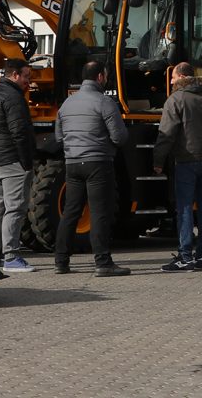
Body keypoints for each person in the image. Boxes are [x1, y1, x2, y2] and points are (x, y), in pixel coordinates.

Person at [53, 61, 131, 277]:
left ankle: (61, 262)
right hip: (98, 162)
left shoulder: (67, 104)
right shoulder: (104, 102)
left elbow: (59, 136)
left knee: (71, 212)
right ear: (100, 77)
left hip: (73, 163)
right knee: (100, 213)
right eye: (105, 75)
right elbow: (119, 136)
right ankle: (103, 263)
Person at [152, 61, 202, 271]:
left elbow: (166, 134)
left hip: (186, 158)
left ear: (181, 77)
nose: (170, 80)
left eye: (173, 77)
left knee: (184, 208)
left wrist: (158, 160)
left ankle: (185, 256)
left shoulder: (175, 99)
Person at [0, 60, 37, 273]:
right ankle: (11, 256)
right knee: (15, 208)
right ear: (14, 75)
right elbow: (19, 131)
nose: (27, 82)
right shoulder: (14, 98)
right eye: (26, 77)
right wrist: (26, 161)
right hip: (13, 160)